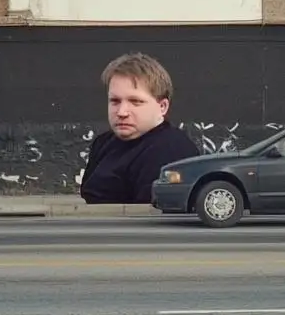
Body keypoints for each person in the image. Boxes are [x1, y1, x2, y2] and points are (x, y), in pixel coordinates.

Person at [79, 52, 200, 204]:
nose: (122, 112)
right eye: (115, 101)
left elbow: (152, 215)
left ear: (162, 107)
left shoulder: (170, 151)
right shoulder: (103, 142)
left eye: (135, 102)